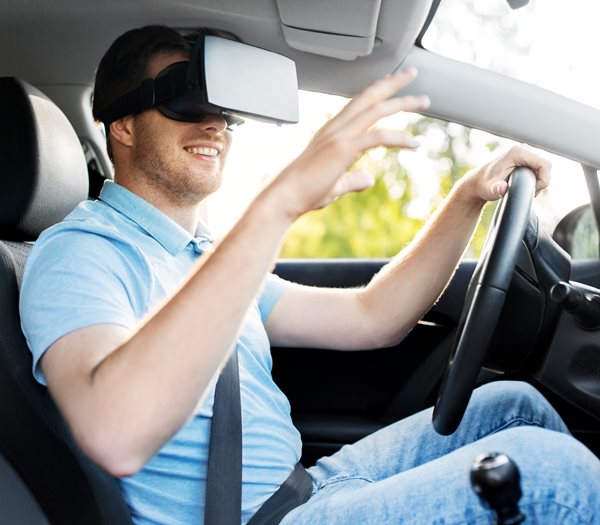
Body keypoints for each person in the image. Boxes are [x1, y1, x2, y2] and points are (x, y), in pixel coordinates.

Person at [20, 25, 600, 525]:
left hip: (306, 489)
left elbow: (372, 317)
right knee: (553, 474)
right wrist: (278, 206)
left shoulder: (202, 256)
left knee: (511, 406)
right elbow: (115, 433)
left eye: (225, 110)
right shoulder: (79, 252)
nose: (215, 125)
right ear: (122, 125)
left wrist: (468, 195)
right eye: (187, 103)